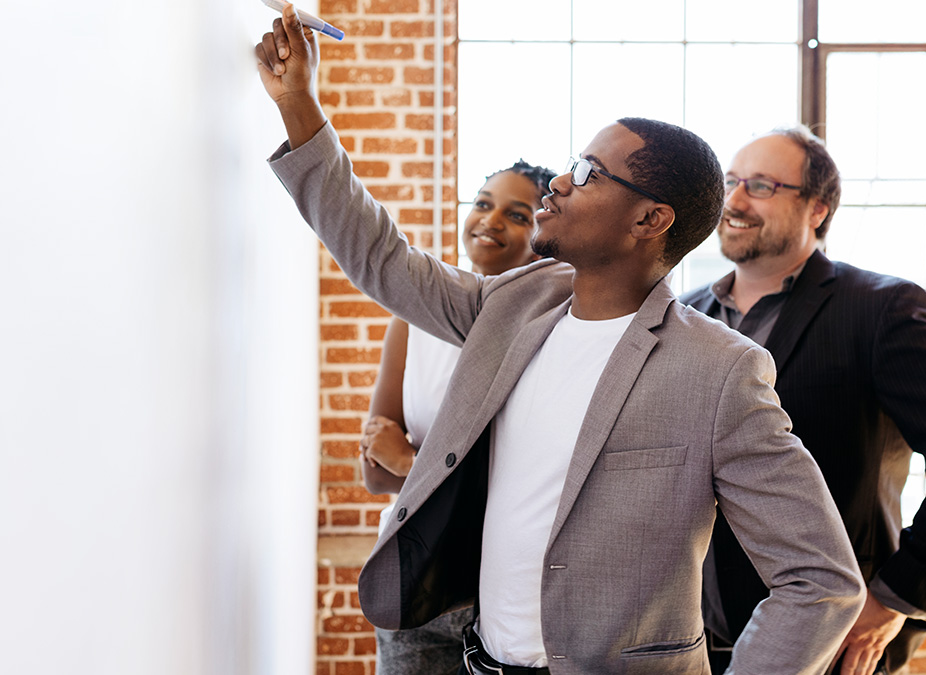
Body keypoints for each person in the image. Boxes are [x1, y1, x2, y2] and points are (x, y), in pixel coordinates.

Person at [256, 7, 865, 673]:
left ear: (649, 219)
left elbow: (821, 581)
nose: (560, 181)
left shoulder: (720, 370)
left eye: (590, 170)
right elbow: (384, 259)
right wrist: (298, 106)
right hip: (480, 660)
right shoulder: (514, 306)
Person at [681, 126, 926, 675]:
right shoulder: (685, 316)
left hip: (829, 645)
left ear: (817, 210)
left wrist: (897, 596)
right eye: (730, 182)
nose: (734, 200)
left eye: (762, 185)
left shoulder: (879, 309)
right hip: (690, 645)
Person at [361, 160, 555, 675]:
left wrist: (410, 462)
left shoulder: (551, 331)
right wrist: (406, 465)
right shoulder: (413, 318)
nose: (489, 221)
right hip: (416, 570)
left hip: (507, 590)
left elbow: (525, 485)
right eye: (483, 203)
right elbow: (375, 470)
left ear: (545, 230)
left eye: (517, 214)